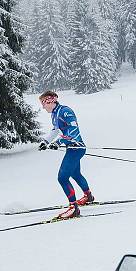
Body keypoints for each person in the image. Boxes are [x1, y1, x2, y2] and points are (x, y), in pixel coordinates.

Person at [38, 91, 94, 220]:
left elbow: (73, 129)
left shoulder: (65, 111)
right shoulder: (54, 114)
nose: (43, 107)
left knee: (62, 178)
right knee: (75, 174)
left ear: (50, 101)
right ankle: (88, 196)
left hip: (76, 147)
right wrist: (45, 142)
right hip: (72, 148)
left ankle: (73, 208)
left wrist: (59, 141)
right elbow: (55, 130)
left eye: (43, 103)